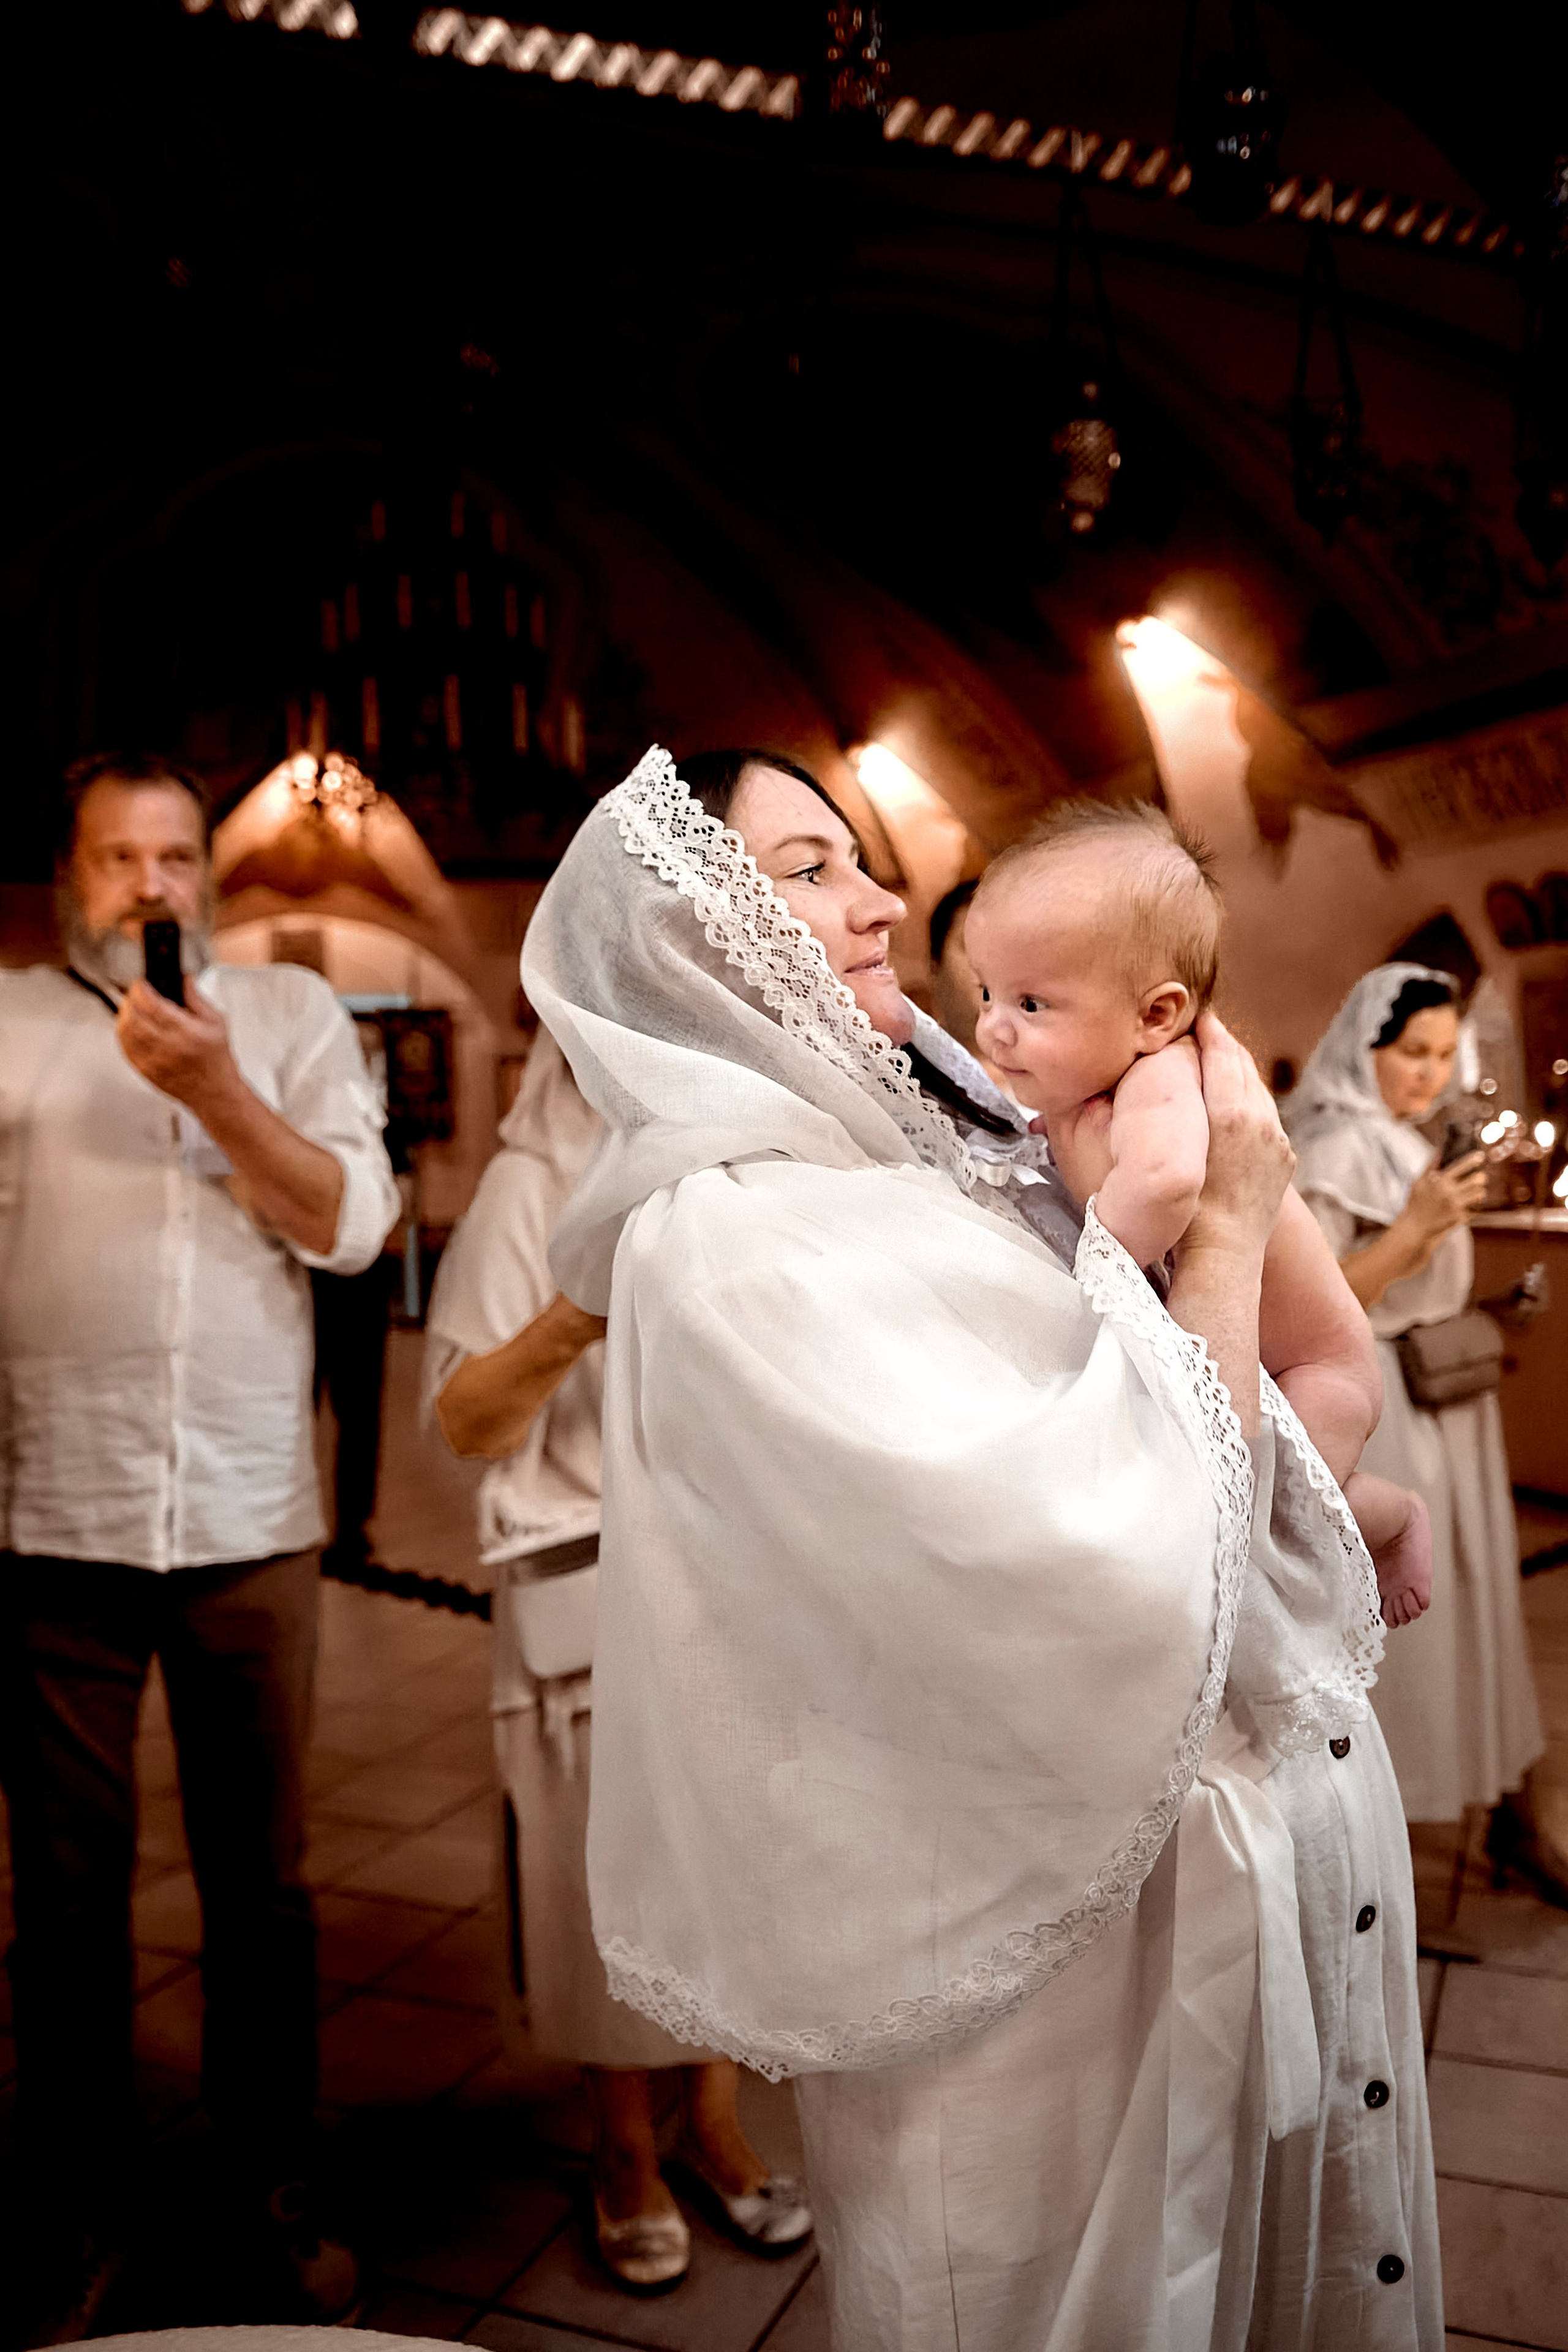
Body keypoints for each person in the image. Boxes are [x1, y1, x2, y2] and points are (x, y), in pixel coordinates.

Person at [516, 743, 1439, 2351]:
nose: (880, 905)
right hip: (1055, 2008)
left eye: (861, 860)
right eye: (809, 872)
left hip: (1216, 1892)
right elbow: (1134, 1556)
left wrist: (1272, 1370)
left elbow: (1281, 1411)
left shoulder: (958, 1141)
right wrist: (1221, 1238)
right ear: (690, 935)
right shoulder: (728, 1237)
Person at [0, 750, 401, 2342]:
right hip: (51, 1520)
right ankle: (78, 2208)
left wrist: (217, 1087)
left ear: (209, 879)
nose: (153, 884)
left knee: (265, 1892)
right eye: (120, 859)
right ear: (71, 877)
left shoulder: (292, 1021)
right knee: (68, 1894)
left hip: (246, 1516)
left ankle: (268, 2196)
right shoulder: (15, 1025)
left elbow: (352, 1227)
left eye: (177, 856)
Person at [424, 1020, 811, 2293]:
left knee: (723, 1881)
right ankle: (622, 2146)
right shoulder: (529, 1181)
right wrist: (575, 1313)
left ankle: (710, 2121)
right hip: (582, 1587)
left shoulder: (742, 1176)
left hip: (726, 1590)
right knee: (602, 1890)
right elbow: (468, 1419)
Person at [967, 799, 1431, 1628]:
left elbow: (1174, 1182)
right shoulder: (1090, 1089)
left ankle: (1393, 1517)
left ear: (1157, 1015)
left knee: (1278, 1510)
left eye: (1032, 1005)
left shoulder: (1163, 1080)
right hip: (1253, 1360)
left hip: (1318, 1369)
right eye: (988, 991)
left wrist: (1094, 1267)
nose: (993, 1027)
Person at [1285, 964, 1556, 1884]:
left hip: (1448, 1403)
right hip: (1386, 1403)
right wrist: (1413, 1232)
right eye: (1412, 1052)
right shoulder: (1329, 1147)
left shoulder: (1404, 1144)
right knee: (1412, 1628)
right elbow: (1315, 1300)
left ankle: (1504, 1807)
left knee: (1476, 1603)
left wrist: (1485, 1300)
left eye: (1444, 1053)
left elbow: (1414, 1286)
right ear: (1363, 1046)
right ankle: (1380, 1837)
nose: (1430, 1073)